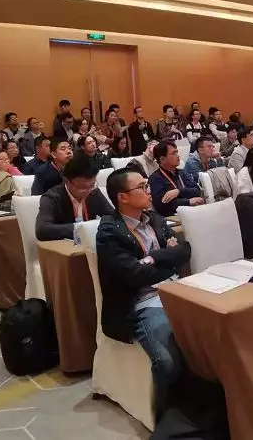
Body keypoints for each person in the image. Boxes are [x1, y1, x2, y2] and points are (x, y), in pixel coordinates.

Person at [96, 168, 191, 416]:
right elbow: (134, 276)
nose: (148, 191)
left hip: (176, 291)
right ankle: (168, 420)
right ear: (123, 197)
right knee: (167, 362)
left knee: (213, 337)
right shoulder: (109, 231)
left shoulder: (154, 219)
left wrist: (154, 258)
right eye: (142, 187)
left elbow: (184, 250)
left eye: (147, 185)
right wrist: (167, 261)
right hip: (142, 303)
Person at [35, 152, 114, 241]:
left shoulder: (93, 192)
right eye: (82, 187)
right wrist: (83, 228)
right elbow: (42, 230)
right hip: (65, 246)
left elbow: (115, 218)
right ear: (67, 181)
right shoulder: (52, 197)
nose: (88, 191)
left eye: (92, 185)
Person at [148, 141, 203, 216]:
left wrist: (179, 191)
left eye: (177, 152)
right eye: (173, 153)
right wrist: (188, 201)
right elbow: (161, 205)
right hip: (172, 217)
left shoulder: (182, 172)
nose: (178, 156)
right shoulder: (155, 179)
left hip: (192, 211)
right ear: (162, 159)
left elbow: (197, 191)